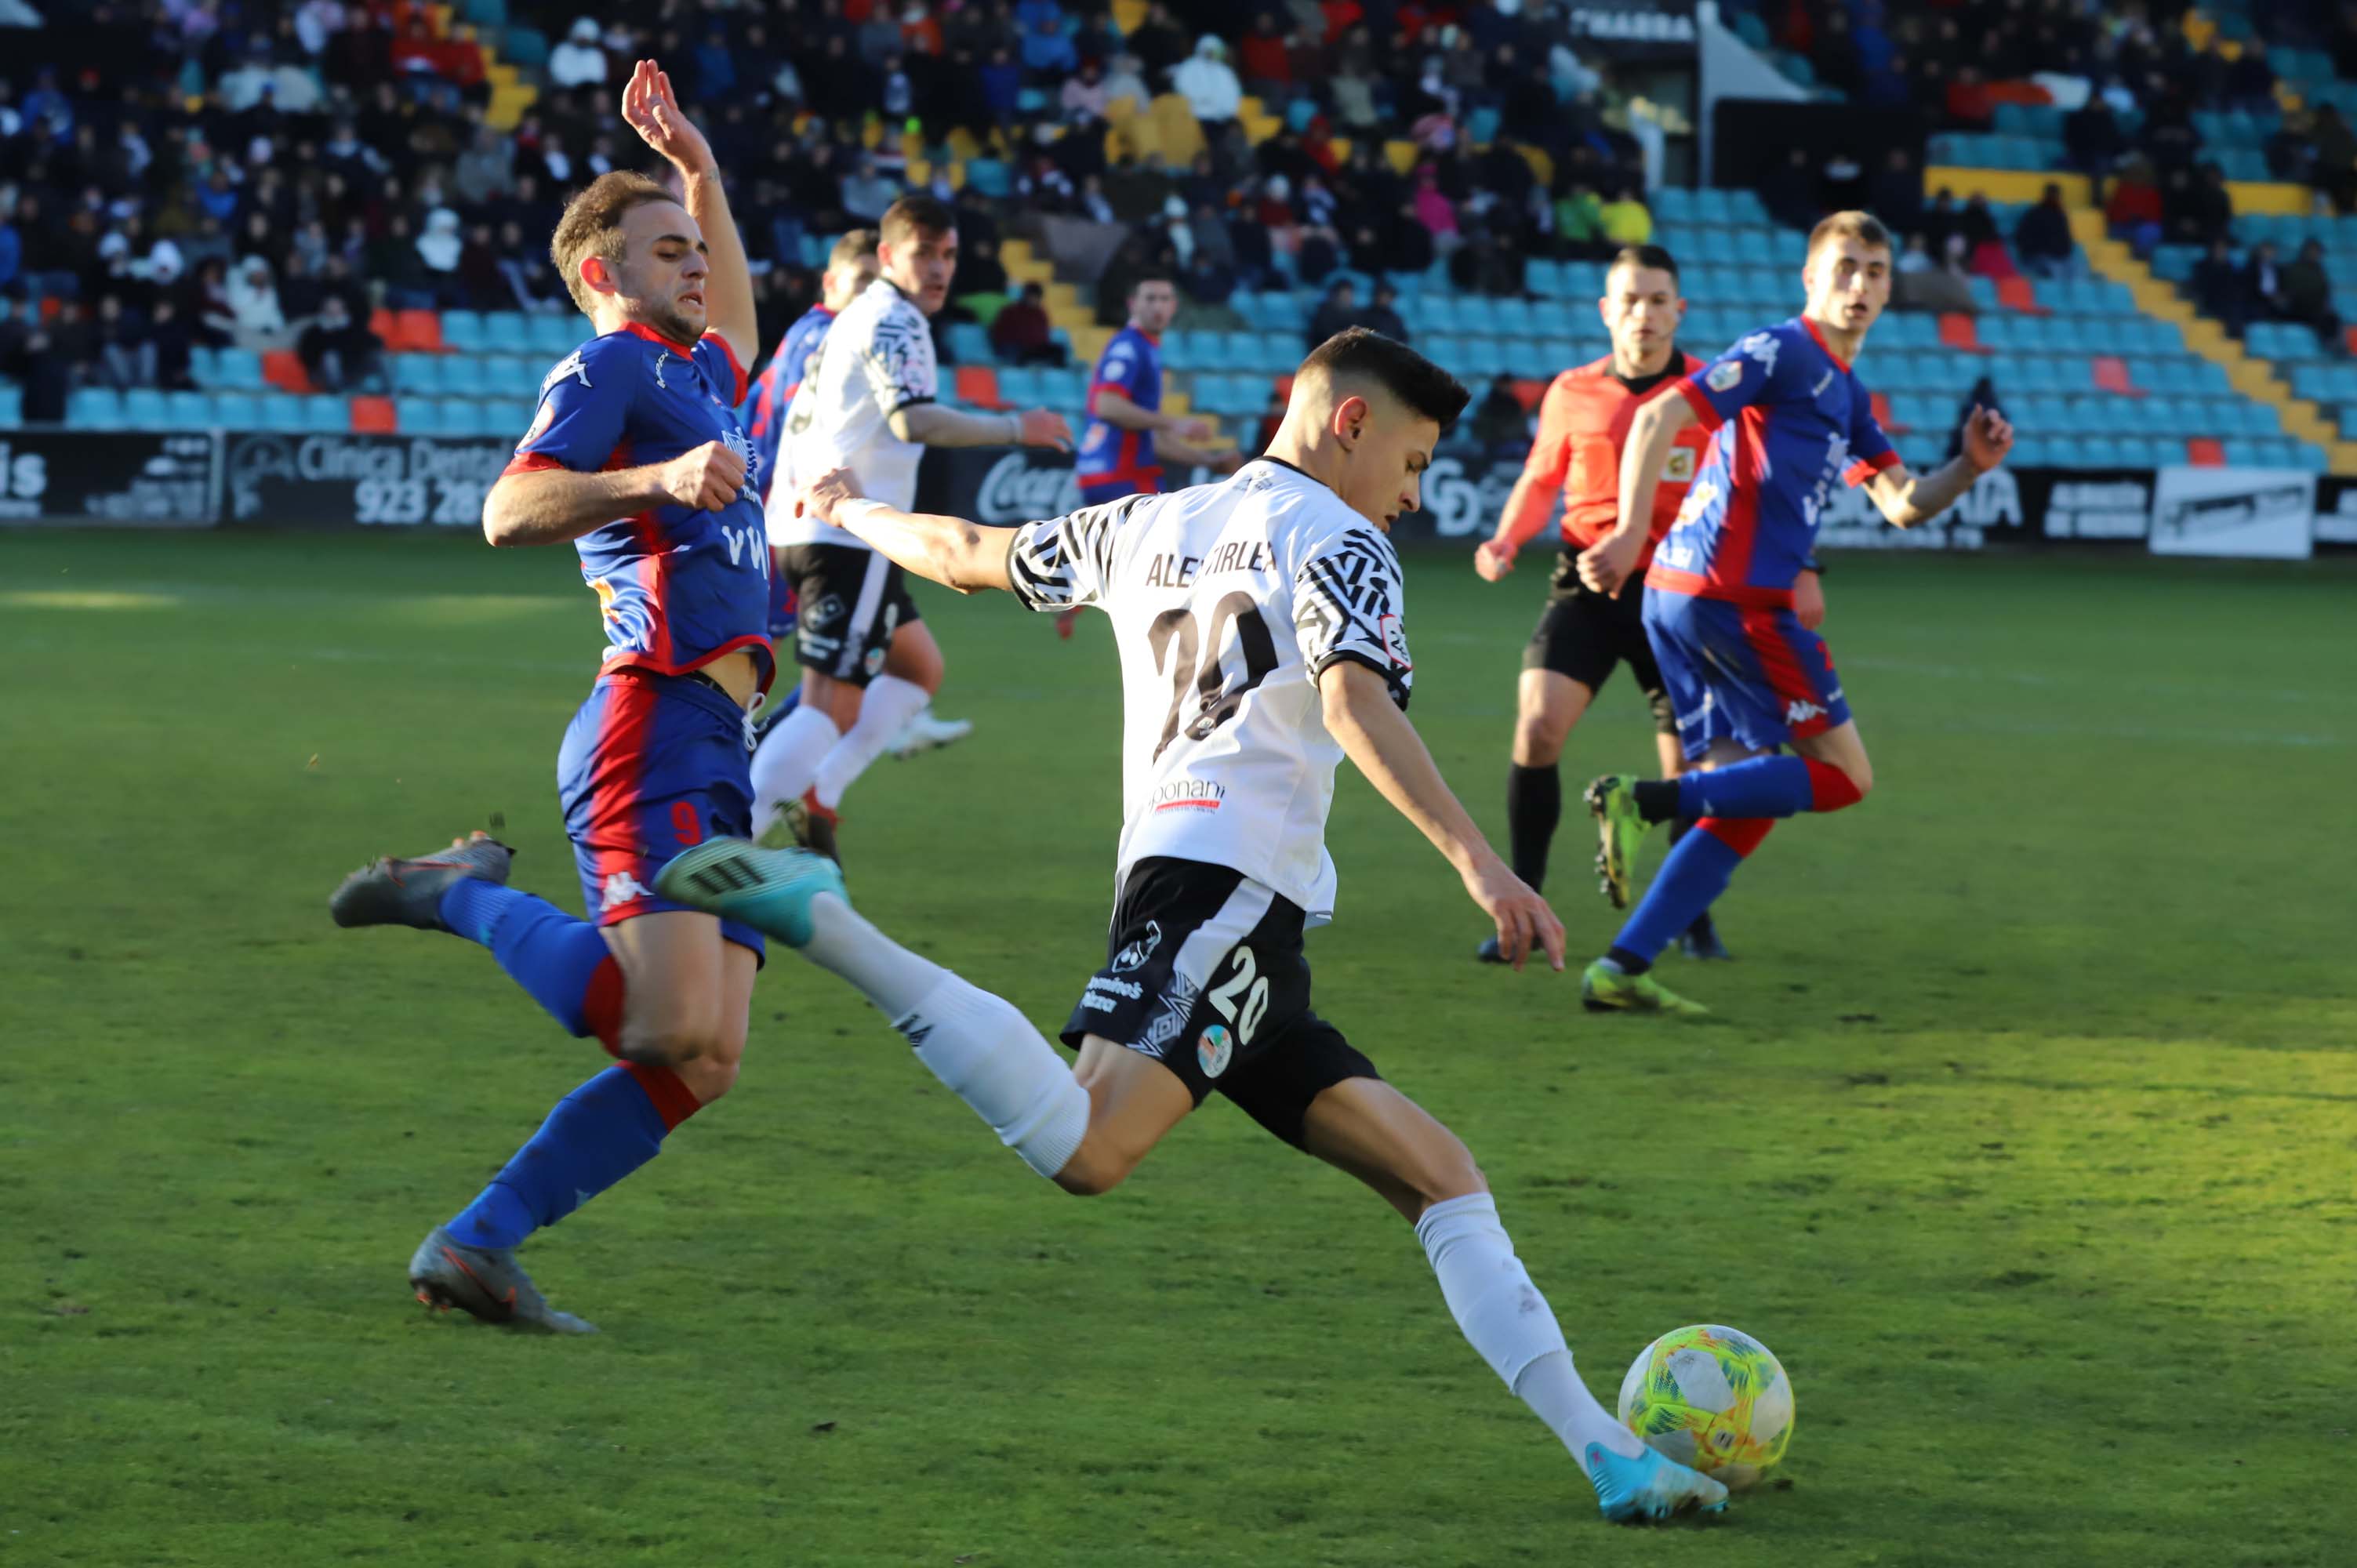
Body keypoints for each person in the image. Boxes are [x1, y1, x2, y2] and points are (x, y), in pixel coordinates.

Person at [652, 328, 1731, 1526]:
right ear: (1351, 423)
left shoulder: (1148, 520)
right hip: (1230, 888)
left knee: (1438, 1177)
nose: (1413, 493)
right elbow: (1350, 695)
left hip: (1214, 901)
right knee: (1091, 1148)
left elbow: (966, 555)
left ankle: (1606, 1454)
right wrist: (1482, 864)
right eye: (1415, 461)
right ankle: (830, 923)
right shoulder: (1343, 541)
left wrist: (847, 511)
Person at [329, 62, 772, 1331]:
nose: (696, 265)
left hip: (720, 735)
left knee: (709, 1062)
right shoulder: (611, 372)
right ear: (604, 277)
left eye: (697, 250)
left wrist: (696, 168)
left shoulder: (703, 375)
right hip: (650, 719)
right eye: (667, 252)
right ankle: (459, 895)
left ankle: (477, 1246)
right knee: (665, 1023)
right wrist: (656, 482)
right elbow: (506, 509)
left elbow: (731, 297)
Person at [1572, 212, 2014, 1014]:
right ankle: (1645, 799)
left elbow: (1904, 503)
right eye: (1844, 267)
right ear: (1810, 279)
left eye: (1875, 272)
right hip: (1728, 599)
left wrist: (1970, 466)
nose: (1860, 285)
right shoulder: (1783, 350)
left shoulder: (1845, 392)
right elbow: (1657, 415)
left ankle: (1622, 967)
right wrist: (1630, 527)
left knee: (1754, 795)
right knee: (1846, 776)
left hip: (1694, 598)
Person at [1473, 245, 1814, 966]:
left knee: (1693, 775)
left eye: (1659, 299)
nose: (1645, 313)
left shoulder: (1712, 391)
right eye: (1631, 299)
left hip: (1685, 598)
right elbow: (1541, 480)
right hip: (1588, 586)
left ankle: (1689, 918)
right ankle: (1524, 906)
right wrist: (1506, 539)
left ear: (1679, 310)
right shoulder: (1571, 391)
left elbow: (1761, 491)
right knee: (1536, 728)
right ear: (1607, 310)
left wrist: (1800, 565)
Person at [755, 194, 1072, 858]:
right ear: (889, 256)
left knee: (917, 667)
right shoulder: (896, 320)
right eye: (924, 253)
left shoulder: (862, 315)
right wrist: (1019, 426)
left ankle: (820, 795)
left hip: (809, 522)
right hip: (844, 532)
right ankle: (723, 846)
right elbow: (914, 421)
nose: (939, 268)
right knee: (827, 707)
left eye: (949, 254)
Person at [1062, 272, 1244, 633]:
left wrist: (1207, 460)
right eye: (1150, 298)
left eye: (1165, 300)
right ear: (1133, 304)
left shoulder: (1144, 349)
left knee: (1148, 557)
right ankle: (1180, 631)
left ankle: (1077, 600)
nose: (1158, 306)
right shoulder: (1131, 347)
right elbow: (1107, 404)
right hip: (1119, 471)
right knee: (1180, 550)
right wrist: (1173, 422)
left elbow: (1153, 439)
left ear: (1174, 307)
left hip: (1122, 469)